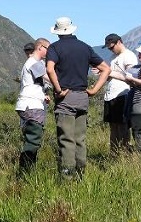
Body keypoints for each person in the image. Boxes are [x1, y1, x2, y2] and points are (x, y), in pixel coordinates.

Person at [46, 17, 110, 181]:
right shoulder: (85, 48)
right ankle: (80, 175)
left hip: (66, 98)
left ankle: (68, 178)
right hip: (82, 97)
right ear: (72, 29)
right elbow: (106, 69)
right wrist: (94, 90)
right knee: (80, 139)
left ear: (58, 32)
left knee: (67, 140)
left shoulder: (54, 48)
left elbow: (50, 69)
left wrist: (59, 90)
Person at [15, 38, 51, 176]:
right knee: (33, 141)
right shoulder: (34, 63)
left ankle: (27, 172)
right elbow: (48, 77)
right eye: (48, 48)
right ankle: (25, 175)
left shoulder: (32, 63)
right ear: (40, 47)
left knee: (32, 140)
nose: (49, 51)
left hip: (28, 104)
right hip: (32, 105)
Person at [100, 34, 138, 157]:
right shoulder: (113, 57)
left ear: (119, 42)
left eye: (112, 47)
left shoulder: (129, 56)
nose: (111, 50)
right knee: (113, 127)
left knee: (122, 126)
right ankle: (114, 154)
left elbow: (131, 78)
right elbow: (111, 76)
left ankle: (124, 154)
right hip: (111, 95)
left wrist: (110, 73)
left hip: (123, 94)